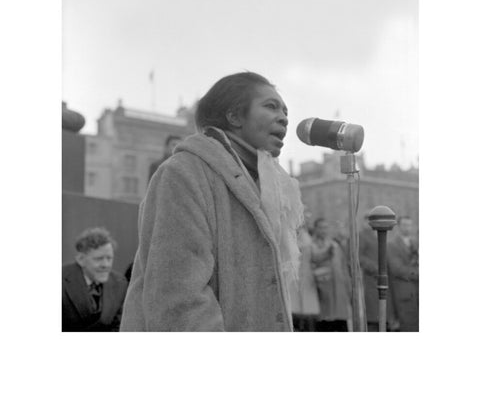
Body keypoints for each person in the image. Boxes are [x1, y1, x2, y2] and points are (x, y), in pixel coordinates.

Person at [120, 71, 304, 331]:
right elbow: (179, 298)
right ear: (234, 116)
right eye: (271, 106)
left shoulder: (266, 185)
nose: (284, 118)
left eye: (285, 110)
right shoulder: (183, 172)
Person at [62, 227, 128, 332]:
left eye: (109, 258)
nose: (106, 265)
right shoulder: (61, 280)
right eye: (99, 259)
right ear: (81, 259)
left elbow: (118, 326)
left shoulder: (120, 283)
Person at [310, 217, 352, 331]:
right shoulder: (311, 244)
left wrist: (348, 287)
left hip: (339, 289)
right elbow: (314, 259)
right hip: (322, 290)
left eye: (326, 227)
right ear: (315, 229)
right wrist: (326, 252)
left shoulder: (335, 244)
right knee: (325, 323)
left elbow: (344, 267)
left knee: (341, 323)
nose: (324, 230)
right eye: (321, 228)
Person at [387, 215, 419, 331]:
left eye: (409, 225)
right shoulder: (391, 245)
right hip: (404, 294)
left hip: (418, 293)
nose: (407, 228)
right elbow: (397, 269)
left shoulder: (416, 243)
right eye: (405, 225)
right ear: (399, 226)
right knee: (408, 328)